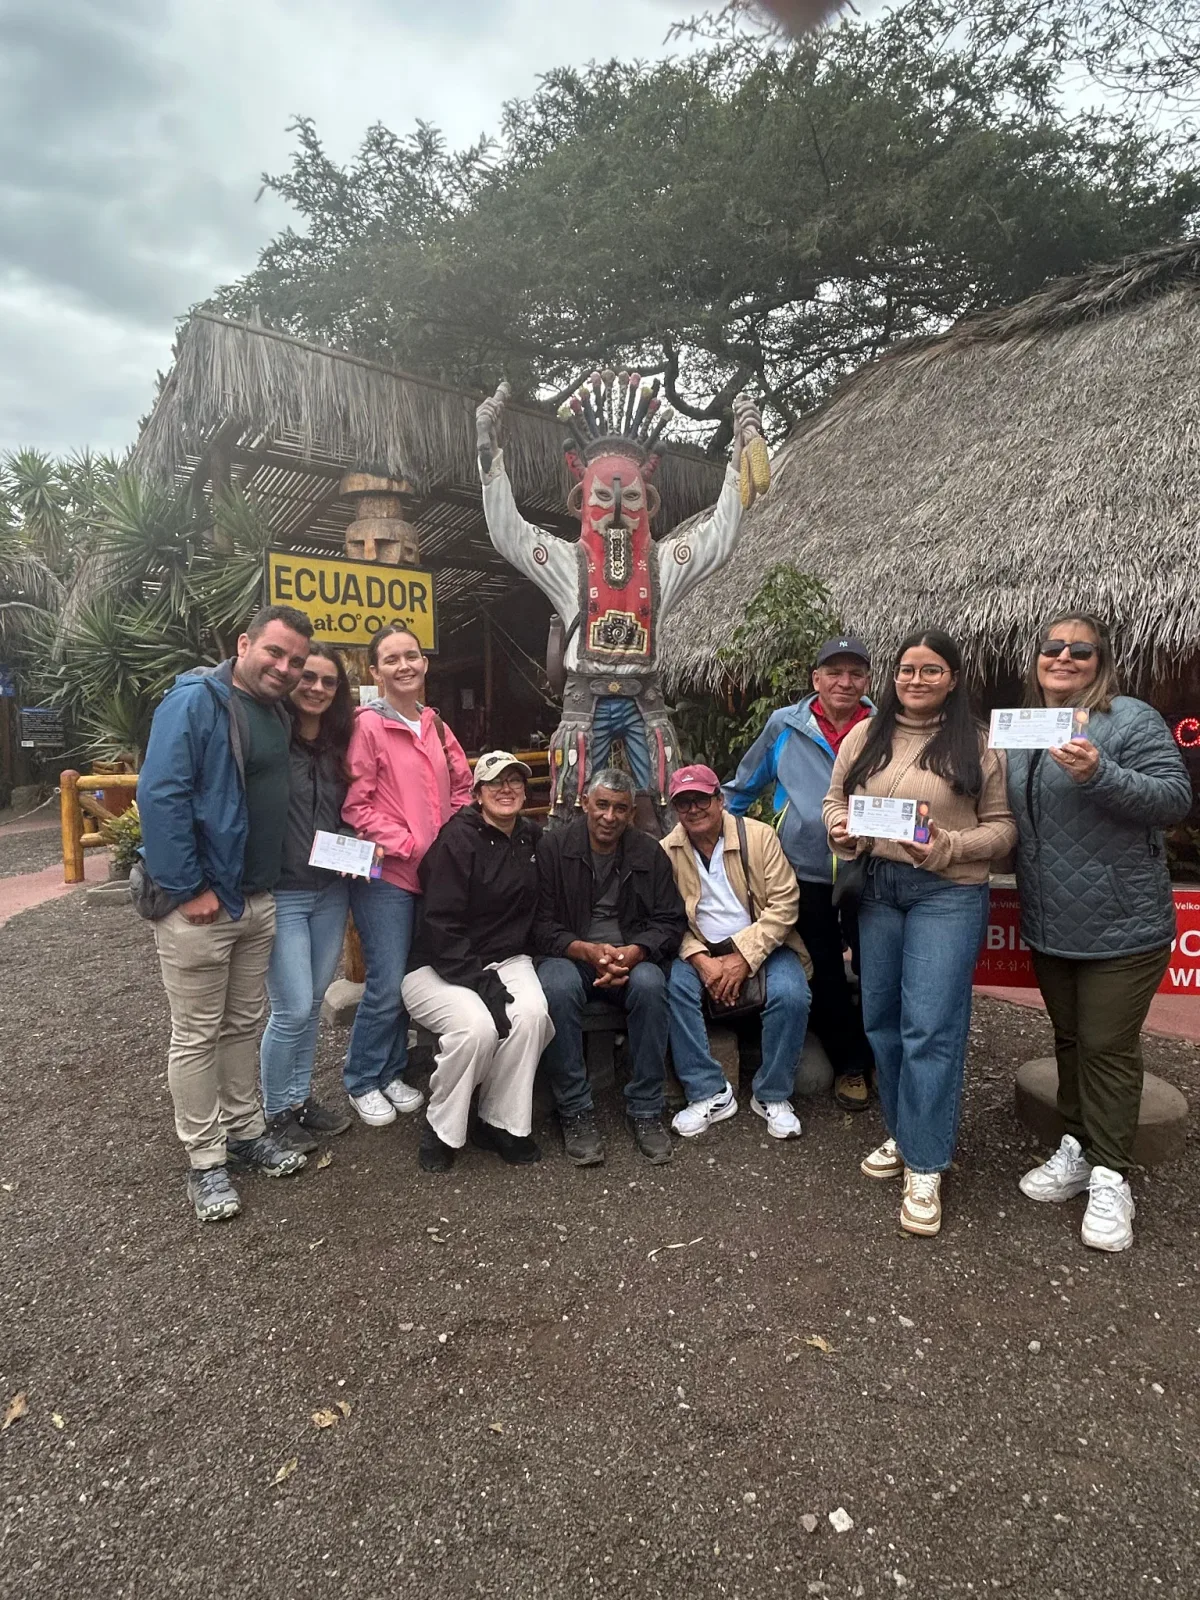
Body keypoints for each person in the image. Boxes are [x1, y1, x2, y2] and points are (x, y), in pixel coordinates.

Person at [823, 628, 1016, 1238]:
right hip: (878, 888)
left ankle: (928, 1162)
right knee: (880, 1018)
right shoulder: (866, 733)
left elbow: (1004, 830)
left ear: (953, 679)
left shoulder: (978, 744)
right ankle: (906, 1134)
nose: (916, 680)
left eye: (931, 671)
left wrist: (948, 847)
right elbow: (835, 800)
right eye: (907, 669)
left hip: (948, 892)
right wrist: (841, 831)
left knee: (929, 1026)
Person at [1007, 613, 1191, 1252]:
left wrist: (1099, 773)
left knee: (1107, 1045)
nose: (1063, 657)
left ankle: (1112, 1174)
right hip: (1052, 920)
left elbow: (1174, 799)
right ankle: (1079, 1147)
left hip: (1124, 921)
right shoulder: (1024, 731)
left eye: (1078, 650)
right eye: (1051, 648)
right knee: (1069, 1039)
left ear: (1100, 660)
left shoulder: (1130, 719)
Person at [138, 605, 315, 1222]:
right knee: (196, 1033)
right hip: (203, 907)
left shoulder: (275, 712)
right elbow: (161, 794)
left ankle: (243, 1133)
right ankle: (205, 1161)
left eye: (295, 661)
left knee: (243, 1023)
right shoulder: (196, 703)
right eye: (276, 653)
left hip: (256, 898)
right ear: (244, 644)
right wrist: (189, 888)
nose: (286, 668)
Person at [726, 635, 875, 1111]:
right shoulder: (785, 725)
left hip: (868, 866)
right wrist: (716, 844)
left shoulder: (883, 726)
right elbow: (744, 785)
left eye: (855, 673)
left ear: (867, 680)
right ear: (816, 679)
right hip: (802, 872)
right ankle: (851, 1064)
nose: (844, 682)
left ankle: (882, 1057)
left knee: (876, 966)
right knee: (824, 969)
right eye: (834, 672)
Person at [341, 625, 474, 1127]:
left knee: (413, 976)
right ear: (374, 672)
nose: (404, 666)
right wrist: (414, 845)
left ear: (425, 664)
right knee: (386, 979)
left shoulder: (435, 726)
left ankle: (392, 1069)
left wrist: (453, 839)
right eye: (391, 659)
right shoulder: (366, 727)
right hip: (387, 876)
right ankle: (361, 1077)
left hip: (436, 876)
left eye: (412, 656)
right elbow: (357, 806)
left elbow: (463, 786)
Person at [402, 752, 554, 1173]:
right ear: (477, 793)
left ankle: (501, 1122)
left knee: (531, 1015)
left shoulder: (532, 839)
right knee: (476, 1028)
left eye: (515, 782)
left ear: (526, 790)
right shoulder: (457, 840)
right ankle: (442, 1126)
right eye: (495, 783)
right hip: (438, 966)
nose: (506, 790)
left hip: (506, 959)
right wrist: (482, 985)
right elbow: (439, 926)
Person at [535, 768, 688, 1166]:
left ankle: (646, 1108)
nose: (609, 816)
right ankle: (575, 1109)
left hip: (628, 958)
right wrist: (583, 949)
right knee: (556, 988)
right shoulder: (555, 848)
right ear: (585, 803)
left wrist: (636, 951)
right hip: (572, 955)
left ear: (631, 814)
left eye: (620, 808)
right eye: (601, 805)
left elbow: (670, 920)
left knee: (652, 986)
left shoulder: (647, 852)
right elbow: (539, 923)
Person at [661, 765, 812, 1140]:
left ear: (720, 800)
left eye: (701, 799)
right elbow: (663, 919)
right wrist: (701, 960)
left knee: (792, 993)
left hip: (761, 940)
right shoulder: (666, 852)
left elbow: (785, 905)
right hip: (699, 948)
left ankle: (773, 1095)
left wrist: (743, 957)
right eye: (683, 802)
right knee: (671, 987)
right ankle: (708, 1092)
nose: (693, 809)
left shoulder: (758, 837)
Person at [258, 647, 356, 1153]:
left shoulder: (341, 745)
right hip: (284, 891)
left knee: (314, 1002)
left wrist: (352, 839)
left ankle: (298, 1101)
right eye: (309, 677)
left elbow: (353, 808)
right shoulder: (272, 741)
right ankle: (274, 1112)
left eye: (329, 682)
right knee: (291, 1007)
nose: (317, 688)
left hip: (332, 889)